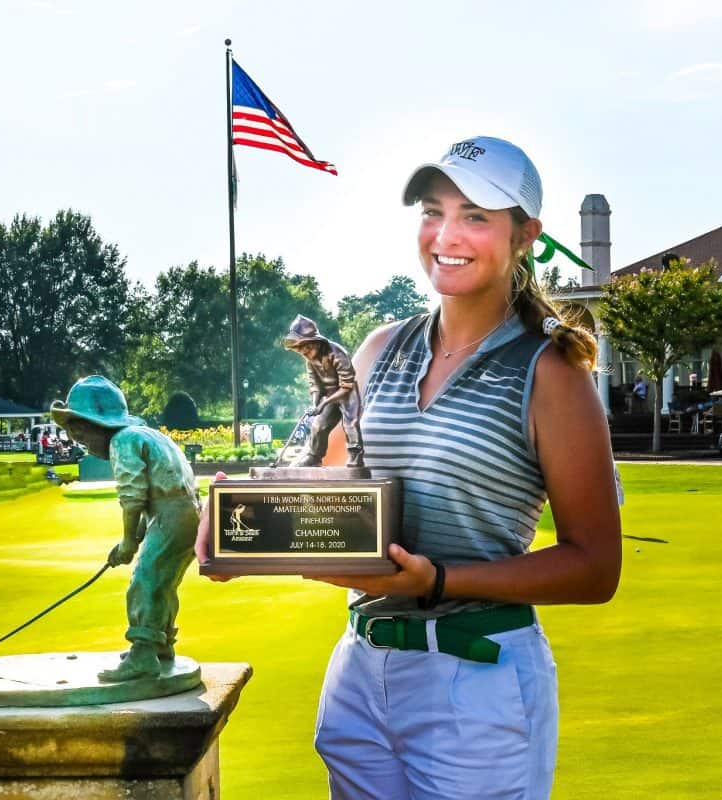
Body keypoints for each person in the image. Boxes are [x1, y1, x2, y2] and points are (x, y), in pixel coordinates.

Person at [197, 135, 621, 799]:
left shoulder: (551, 372)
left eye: (476, 216)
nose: (446, 234)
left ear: (525, 235)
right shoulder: (379, 348)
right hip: (361, 672)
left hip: (473, 677)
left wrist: (440, 578)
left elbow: (596, 567)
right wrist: (243, 530)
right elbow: (334, 498)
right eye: (432, 210)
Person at [52, 376, 200, 682]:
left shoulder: (122, 441)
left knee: (145, 580)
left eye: (82, 435)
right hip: (188, 513)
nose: (84, 445)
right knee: (163, 582)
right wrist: (134, 538)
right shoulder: (147, 435)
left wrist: (128, 543)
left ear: (95, 425)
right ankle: (161, 647)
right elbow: (157, 493)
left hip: (173, 515)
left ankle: (143, 653)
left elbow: (133, 498)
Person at [282, 315, 364, 468]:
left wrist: (323, 403)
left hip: (347, 393)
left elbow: (346, 385)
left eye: (304, 346)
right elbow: (315, 386)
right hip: (328, 394)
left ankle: (356, 456)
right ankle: (314, 456)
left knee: (350, 424)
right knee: (318, 425)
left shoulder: (337, 353)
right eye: (299, 348)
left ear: (315, 342)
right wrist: (315, 404)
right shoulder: (310, 361)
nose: (302, 352)